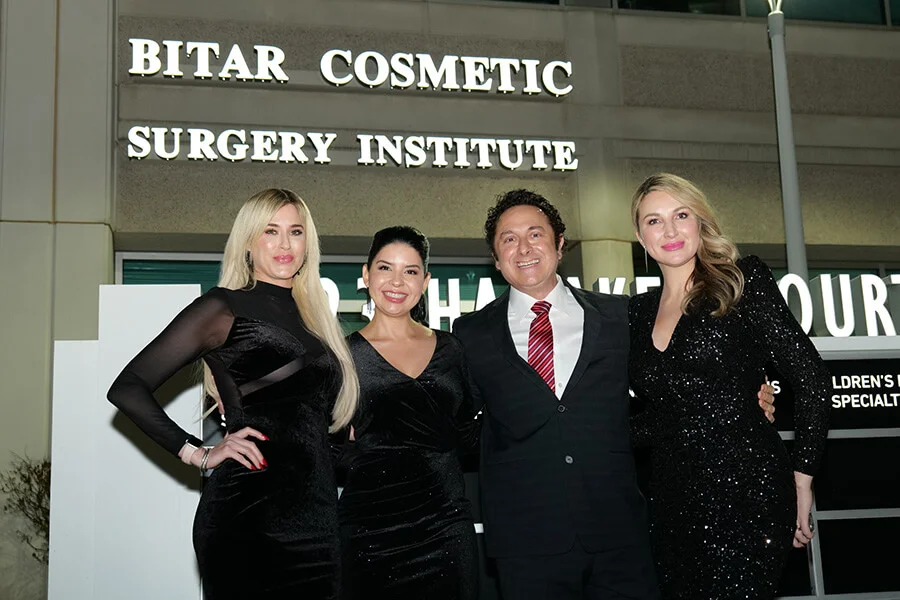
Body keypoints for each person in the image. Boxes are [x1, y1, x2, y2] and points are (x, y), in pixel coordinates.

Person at [107, 188, 359, 600]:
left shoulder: (318, 321)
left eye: (295, 232)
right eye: (270, 231)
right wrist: (198, 453)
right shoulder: (223, 307)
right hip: (247, 514)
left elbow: (313, 428)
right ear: (247, 241)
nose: (284, 244)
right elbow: (128, 388)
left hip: (316, 519)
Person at [627, 173, 831, 599]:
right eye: (654, 220)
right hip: (671, 502)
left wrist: (802, 480)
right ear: (639, 235)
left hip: (749, 494)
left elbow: (811, 378)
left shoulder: (741, 280)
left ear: (700, 221)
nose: (669, 230)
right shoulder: (636, 313)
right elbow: (657, 417)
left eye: (681, 215)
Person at [337, 226, 480, 600]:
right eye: (385, 268)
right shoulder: (341, 356)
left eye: (411, 271)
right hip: (370, 530)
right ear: (366, 275)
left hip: (446, 526)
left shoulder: (452, 349)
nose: (396, 281)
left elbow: (470, 433)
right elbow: (324, 442)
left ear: (426, 281)